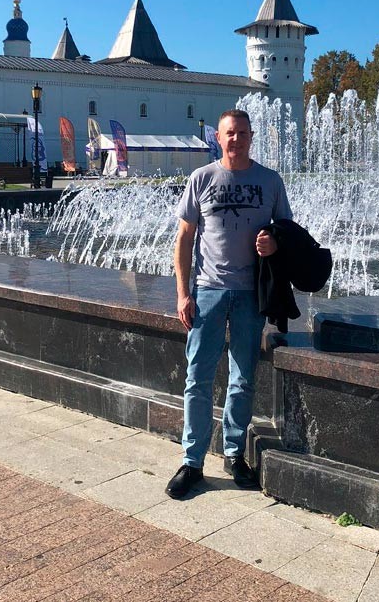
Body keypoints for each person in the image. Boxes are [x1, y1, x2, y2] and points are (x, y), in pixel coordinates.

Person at [165, 108, 292, 499]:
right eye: (229, 133)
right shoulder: (201, 179)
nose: (235, 139)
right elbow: (184, 239)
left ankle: (235, 454)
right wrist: (183, 294)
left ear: (252, 137)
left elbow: (287, 231)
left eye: (242, 133)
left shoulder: (270, 181)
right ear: (218, 138)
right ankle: (193, 461)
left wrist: (273, 243)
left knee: (243, 379)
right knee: (197, 379)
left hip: (250, 293)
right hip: (208, 292)